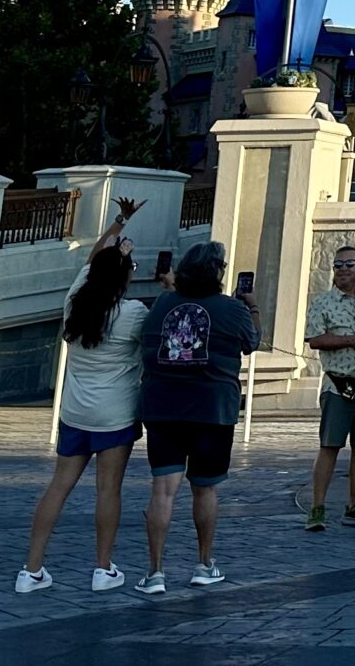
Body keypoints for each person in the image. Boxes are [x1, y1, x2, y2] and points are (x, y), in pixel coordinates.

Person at [16, 197, 147, 594]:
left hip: (74, 411)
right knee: (109, 490)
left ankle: (31, 568)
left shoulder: (75, 303)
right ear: (125, 278)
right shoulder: (134, 314)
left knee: (57, 487)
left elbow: (93, 262)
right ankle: (102, 568)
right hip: (116, 414)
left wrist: (117, 226)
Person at [134, 241, 257, 593]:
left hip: (163, 406)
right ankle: (204, 563)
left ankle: (155, 571)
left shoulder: (163, 304)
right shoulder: (231, 308)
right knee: (205, 489)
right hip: (212, 408)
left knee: (163, 490)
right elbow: (252, 341)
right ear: (218, 272)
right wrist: (254, 307)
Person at [302, 245, 355, 530]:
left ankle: (354, 504)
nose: (344, 269)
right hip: (338, 385)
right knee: (330, 445)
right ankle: (317, 507)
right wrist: (352, 340)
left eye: (350, 263)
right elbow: (315, 339)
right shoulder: (322, 303)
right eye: (338, 265)